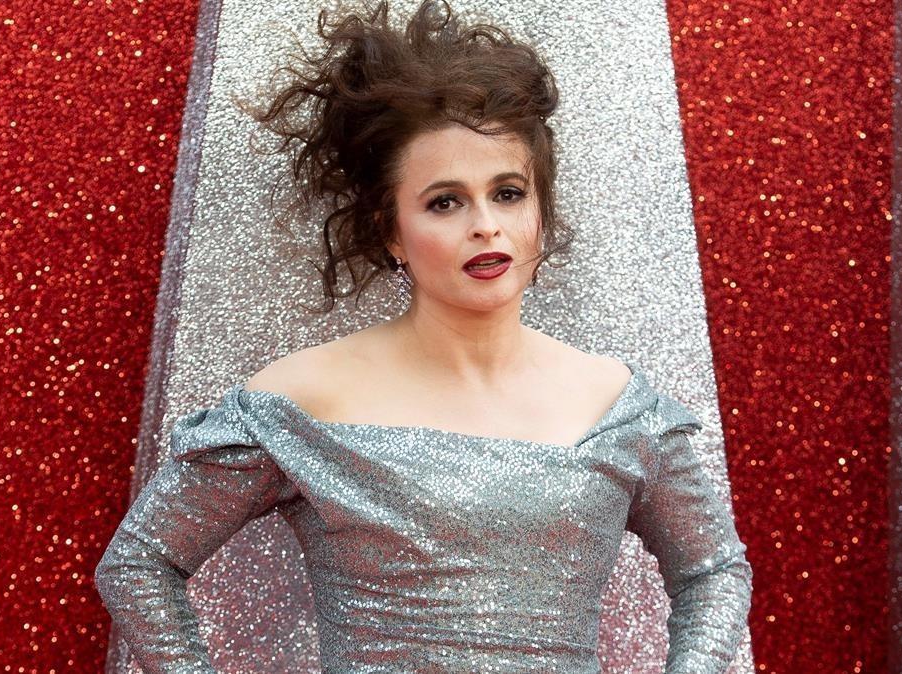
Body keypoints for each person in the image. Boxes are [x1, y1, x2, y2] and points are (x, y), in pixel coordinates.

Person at [93, 1, 753, 672]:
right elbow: (140, 562)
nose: (485, 225)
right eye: (445, 202)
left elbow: (714, 570)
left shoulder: (619, 407)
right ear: (390, 231)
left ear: (540, 209)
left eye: (508, 193)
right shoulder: (299, 402)